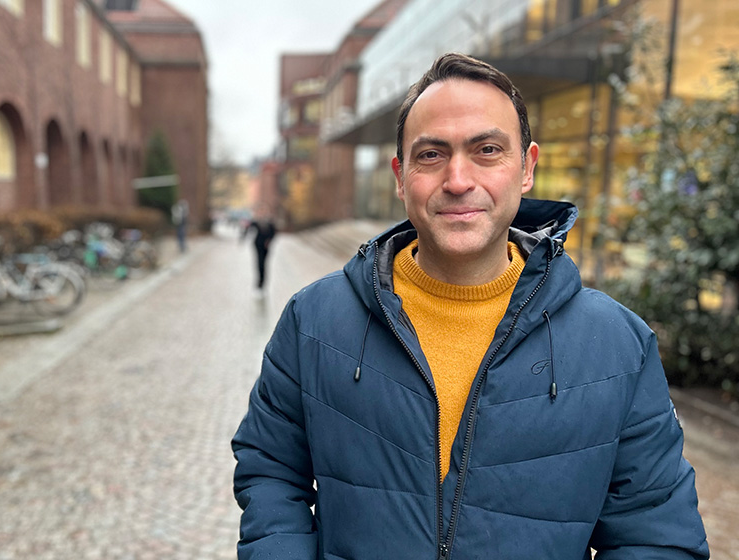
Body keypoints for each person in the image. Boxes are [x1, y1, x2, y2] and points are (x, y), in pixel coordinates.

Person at [232, 53, 708, 559]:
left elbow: (655, 534)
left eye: (486, 150)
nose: (458, 179)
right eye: (432, 155)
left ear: (526, 169)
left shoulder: (618, 346)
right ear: (400, 175)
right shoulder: (314, 322)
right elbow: (270, 468)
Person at [244, 209, 276, 295]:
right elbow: (248, 229)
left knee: (264, 264)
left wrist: (269, 241)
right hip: (258, 245)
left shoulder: (270, 223)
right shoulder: (256, 222)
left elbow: (273, 233)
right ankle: (259, 282)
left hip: (265, 247)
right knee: (259, 263)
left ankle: (263, 282)